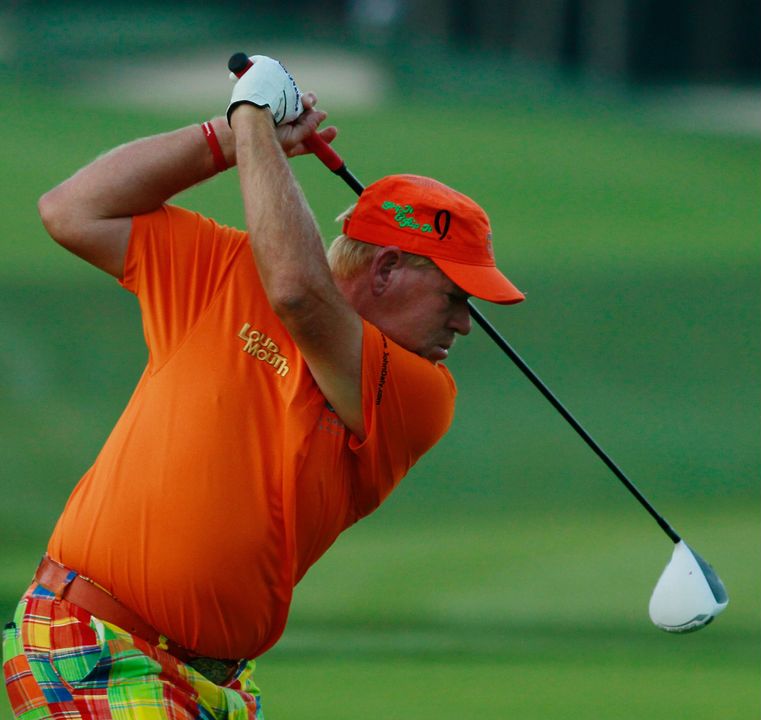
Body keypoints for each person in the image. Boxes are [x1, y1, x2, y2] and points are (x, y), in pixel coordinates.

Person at [3, 57, 524, 717]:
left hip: (215, 686)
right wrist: (226, 137)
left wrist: (253, 120)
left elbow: (299, 296)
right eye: (454, 296)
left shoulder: (421, 393)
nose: (464, 324)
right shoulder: (223, 271)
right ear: (388, 269)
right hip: (93, 644)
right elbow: (72, 210)